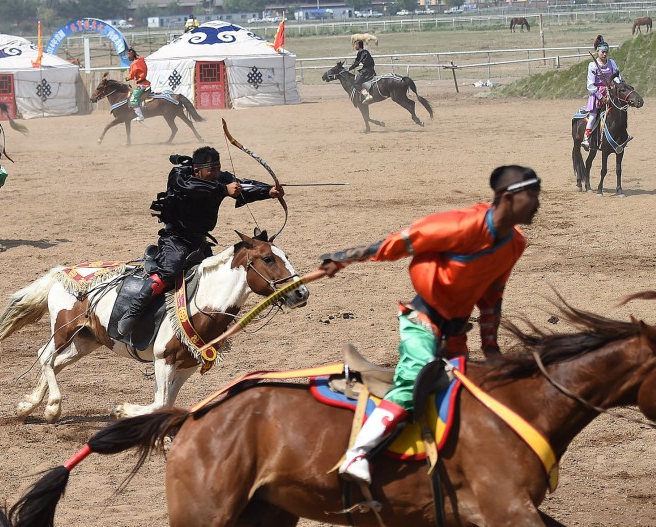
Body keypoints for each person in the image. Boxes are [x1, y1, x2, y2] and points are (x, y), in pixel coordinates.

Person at [325, 166, 541, 485]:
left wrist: (492, 349)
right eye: (532, 196)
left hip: (456, 333)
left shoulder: (515, 244)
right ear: (508, 198)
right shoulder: (461, 226)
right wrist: (342, 258)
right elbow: (397, 244)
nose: (538, 203)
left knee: (469, 391)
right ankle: (357, 453)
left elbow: (492, 296)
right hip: (422, 321)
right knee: (415, 377)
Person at [115, 147, 285, 337]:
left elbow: (242, 186)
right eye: (211, 170)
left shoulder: (221, 179)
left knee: (215, 277)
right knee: (169, 271)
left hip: (200, 241)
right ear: (198, 170)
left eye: (218, 169)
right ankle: (131, 313)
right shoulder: (180, 175)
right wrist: (223, 189)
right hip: (175, 239)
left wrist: (268, 191)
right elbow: (192, 188)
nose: (216, 174)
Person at [581, 41, 621, 151]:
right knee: (593, 115)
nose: (605, 54)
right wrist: (600, 96)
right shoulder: (592, 65)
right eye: (602, 52)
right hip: (597, 94)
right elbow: (590, 85)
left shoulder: (612, 62)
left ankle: (621, 136)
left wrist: (616, 86)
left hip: (611, 92)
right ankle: (586, 138)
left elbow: (617, 77)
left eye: (606, 52)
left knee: (620, 110)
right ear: (597, 52)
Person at [125, 48, 150, 122]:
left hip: (142, 85)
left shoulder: (134, 64)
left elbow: (131, 76)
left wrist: (127, 78)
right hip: (146, 83)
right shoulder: (141, 60)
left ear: (132, 55)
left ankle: (140, 116)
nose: (128, 57)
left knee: (132, 100)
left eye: (129, 56)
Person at [348, 39, 376, 105]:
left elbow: (356, 63)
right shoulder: (364, 52)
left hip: (367, 71)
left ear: (358, 45)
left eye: (355, 45)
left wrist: (350, 68)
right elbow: (357, 62)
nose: (355, 47)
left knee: (356, 83)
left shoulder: (362, 52)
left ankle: (367, 95)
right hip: (369, 69)